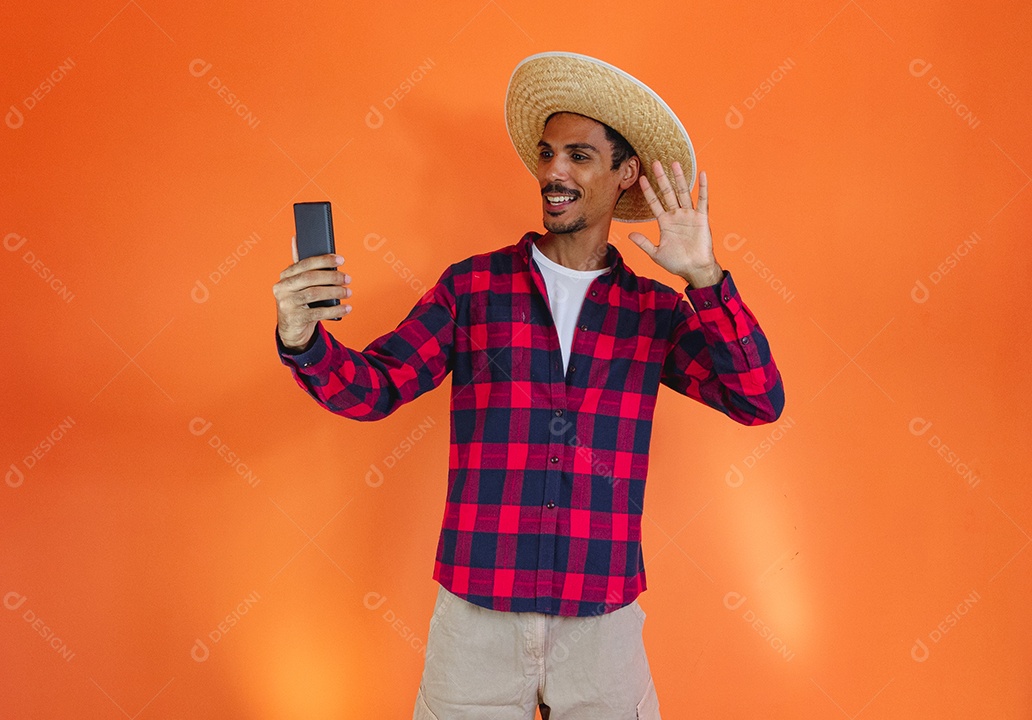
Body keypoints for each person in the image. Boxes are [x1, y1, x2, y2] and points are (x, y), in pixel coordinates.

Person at [272, 52, 784, 720]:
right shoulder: (473, 288)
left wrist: (707, 278)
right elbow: (373, 389)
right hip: (476, 620)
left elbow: (757, 398)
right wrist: (301, 339)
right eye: (548, 154)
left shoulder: (655, 313)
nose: (554, 173)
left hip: (601, 622)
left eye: (579, 155)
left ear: (625, 172)